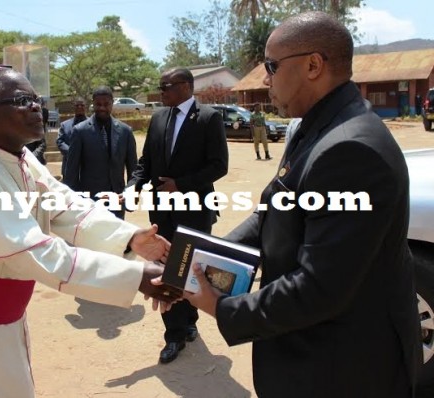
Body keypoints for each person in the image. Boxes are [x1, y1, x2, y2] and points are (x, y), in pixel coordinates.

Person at [184, 12, 421, 398]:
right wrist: (195, 259)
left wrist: (223, 309)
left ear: (313, 65)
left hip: (343, 369)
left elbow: (319, 288)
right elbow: (272, 214)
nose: (265, 79)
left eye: (272, 67)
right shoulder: (316, 127)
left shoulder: (349, 149)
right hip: (314, 355)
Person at [0, 67, 177, 398]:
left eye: (35, 99)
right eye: (21, 100)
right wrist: (136, 275)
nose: (35, 107)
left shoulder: (20, 157)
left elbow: (66, 206)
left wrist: (129, 238)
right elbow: (39, 254)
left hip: (4, 316)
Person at [129, 68, 229, 364]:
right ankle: (173, 334)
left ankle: (189, 321)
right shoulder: (159, 117)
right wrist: (133, 185)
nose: (161, 93)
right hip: (162, 212)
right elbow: (145, 161)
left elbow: (218, 165)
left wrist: (181, 185)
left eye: (166, 87)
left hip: (194, 210)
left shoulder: (209, 118)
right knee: (167, 268)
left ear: (185, 86)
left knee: (191, 268)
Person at [64, 87, 137, 219]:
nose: (102, 108)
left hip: (117, 198)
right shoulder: (80, 131)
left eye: (106, 104)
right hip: (90, 200)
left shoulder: (126, 131)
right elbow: (72, 170)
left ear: (112, 103)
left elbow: (133, 168)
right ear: (93, 104)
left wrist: (130, 193)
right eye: (98, 104)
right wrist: (74, 200)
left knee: (117, 237)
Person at [56, 97, 87, 177]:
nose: (79, 107)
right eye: (77, 105)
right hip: (69, 167)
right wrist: (73, 153)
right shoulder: (64, 125)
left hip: (88, 168)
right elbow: (60, 142)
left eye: (82, 105)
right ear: (73, 107)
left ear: (85, 107)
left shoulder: (94, 125)